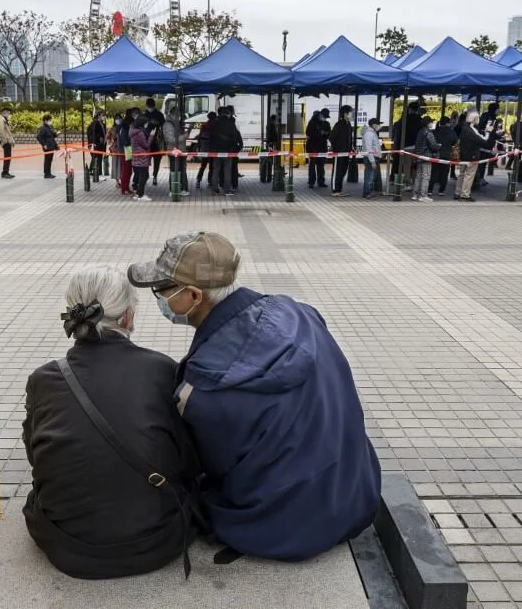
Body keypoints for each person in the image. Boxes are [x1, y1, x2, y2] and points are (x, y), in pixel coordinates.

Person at [127, 231, 381, 561]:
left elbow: (209, 466)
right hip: (355, 494)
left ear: (193, 296)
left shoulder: (204, 388)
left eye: (162, 290)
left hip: (285, 528)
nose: (159, 298)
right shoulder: (300, 313)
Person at [23, 265, 199, 579]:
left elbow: (36, 457)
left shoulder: (43, 379)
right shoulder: (162, 370)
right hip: (157, 541)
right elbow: (185, 455)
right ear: (128, 316)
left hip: (68, 547)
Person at [456, 111, 492, 202]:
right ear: (474, 119)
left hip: (463, 155)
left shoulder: (465, 128)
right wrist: (488, 132)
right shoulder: (472, 130)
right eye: (478, 118)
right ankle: (465, 194)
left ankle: (458, 192)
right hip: (472, 156)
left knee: (461, 174)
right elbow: (483, 141)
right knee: (469, 175)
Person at [209, 107, 242, 196]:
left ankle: (214, 189)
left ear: (220, 114)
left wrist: (212, 149)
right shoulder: (231, 124)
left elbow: (211, 137)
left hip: (216, 151)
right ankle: (226, 189)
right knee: (227, 170)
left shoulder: (215, 124)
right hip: (227, 151)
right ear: (227, 114)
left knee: (216, 170)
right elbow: (235, 138)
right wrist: (232, 147)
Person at [412, 116, 440, 201]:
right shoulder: (428, 133)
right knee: (426, 176)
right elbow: (433, 145)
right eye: (431, 122)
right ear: (428, 123)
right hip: (426, 157)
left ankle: (415, 194)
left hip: (418, 156)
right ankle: (423, 195)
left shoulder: (420, 132)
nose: (432, 123)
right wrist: (438, 146)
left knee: (418, 176)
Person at [329, 105, 354, 197]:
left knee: (343, 171)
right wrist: (337, 148)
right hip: (339, 153)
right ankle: (335, 190)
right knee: (337, 171)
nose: (352, 114)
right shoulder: (339, 124)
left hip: (346, 153)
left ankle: (339, 190)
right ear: (345, 114)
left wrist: (351, 148)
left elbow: (349, 138)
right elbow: (331, 137)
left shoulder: (349, 124)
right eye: (350, 112)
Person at [429, 115, 457, 197]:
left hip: (436, 154)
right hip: (447, 155)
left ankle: (430, 190)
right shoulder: (452, 132)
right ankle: (441, 191)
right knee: (444, 173)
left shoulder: (435, 131)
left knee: (433, 172)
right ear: (448, 123)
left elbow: (431, 142)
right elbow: (455, 141)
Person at [130, 114, 155, 201]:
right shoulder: (139, 133)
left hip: (136, 158)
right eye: (146, 123)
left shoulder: (133, 131)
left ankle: (138, 193)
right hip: (142, 158)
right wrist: (151, 136)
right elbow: (146, 145)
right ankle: (140, 195)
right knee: (143, 176)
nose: (146, 124)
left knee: (141, 176)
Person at [144, 98, 166, 186]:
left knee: (157, 161)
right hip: (146, 141)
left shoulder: (159, 114)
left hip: (157, 141)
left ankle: (155, 176)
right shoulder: (144, 114)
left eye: (151, 106)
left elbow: (164, 125)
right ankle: (146, 176)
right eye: (149, 106)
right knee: (145, 161)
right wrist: (148, 123)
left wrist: (157, 123)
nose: (150, 108)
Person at [305, 110, 329, 189]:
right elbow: (308, 133)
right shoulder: (312, 123)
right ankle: (312, 182)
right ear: (320, 115)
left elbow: (329, 134)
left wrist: (325, 133)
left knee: (321, 165)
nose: (325, 118)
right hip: (313, 147)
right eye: (324, 117)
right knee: (313, 165)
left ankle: (320, 181)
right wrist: (320, 133)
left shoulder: (326, 123)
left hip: (322, 147)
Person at [360, 118, 383, 198]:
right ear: (373, 125)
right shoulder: (369, 134)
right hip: (371, 158)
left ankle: (369, 191)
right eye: (378, 124)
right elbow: (368, 148)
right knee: (369, 176)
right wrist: (372, 161)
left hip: (373, 157)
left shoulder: (372, 132)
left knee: (371, 176)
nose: (379, 126)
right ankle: (367, 193)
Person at [194, 112, 216, 188]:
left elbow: (199, 138)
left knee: (203, 166)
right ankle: (210, 181)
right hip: (212, 150)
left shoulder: (204, 126)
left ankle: (198, 181)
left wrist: (199, 148)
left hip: (204, 149)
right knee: (211, 167)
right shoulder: (215, 126)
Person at [0, 107, 17, 179]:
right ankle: (4, 173)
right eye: (8, 113)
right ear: (4, 112)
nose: (9, 115)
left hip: (7, 141)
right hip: (6, 142)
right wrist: (5, 141)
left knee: (8, 157)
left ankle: (6, 172)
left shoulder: (4, 120)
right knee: (7, 157)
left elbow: (6, 131)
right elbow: (1, 132)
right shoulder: (1, 120)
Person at [36, 114, 59, 179]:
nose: (50, 121)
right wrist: (44, 144)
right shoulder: (43, 128)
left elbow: (52, 136)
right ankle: (46, 174)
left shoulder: (49, 127)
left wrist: (56, 134)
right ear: (45, 121)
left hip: (51, 146)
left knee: (50, 160)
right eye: (49, 120)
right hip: (47, 147)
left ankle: (49, 173)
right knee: (47, 160)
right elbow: (39, 137)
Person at [87, 112, 107, 182]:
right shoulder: (95, 123)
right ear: (99, 116)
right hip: (95, 144)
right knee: (96, 158)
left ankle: (91, 171)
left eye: (105, 116)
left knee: (97, 158)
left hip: (101, 144)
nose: (104, 117)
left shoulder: (103, 124)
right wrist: (99, 138)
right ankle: (97, 173)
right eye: (103, 115)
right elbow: (92, 133)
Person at [262, 114, 280, 183]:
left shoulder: (270, 125)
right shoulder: (271, 126)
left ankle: (267, 177)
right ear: (274, 120)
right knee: (269, 162)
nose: (276, 121)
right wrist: (274, 141)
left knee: (269, 162)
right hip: (271, 145)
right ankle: (268, 178)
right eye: (276, 120)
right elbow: (273, 136)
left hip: (270, 145)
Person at [107, 113, 122, 191]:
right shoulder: (112, 129)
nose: (118, 120)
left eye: (119, 118)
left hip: (122, 150)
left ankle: (122, 180)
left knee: (121, 166)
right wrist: (111, 142)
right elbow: (107, 138)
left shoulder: (123, 127)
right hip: (115, 150)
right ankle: (117, 182)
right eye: (117, 118)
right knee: (115, 165)